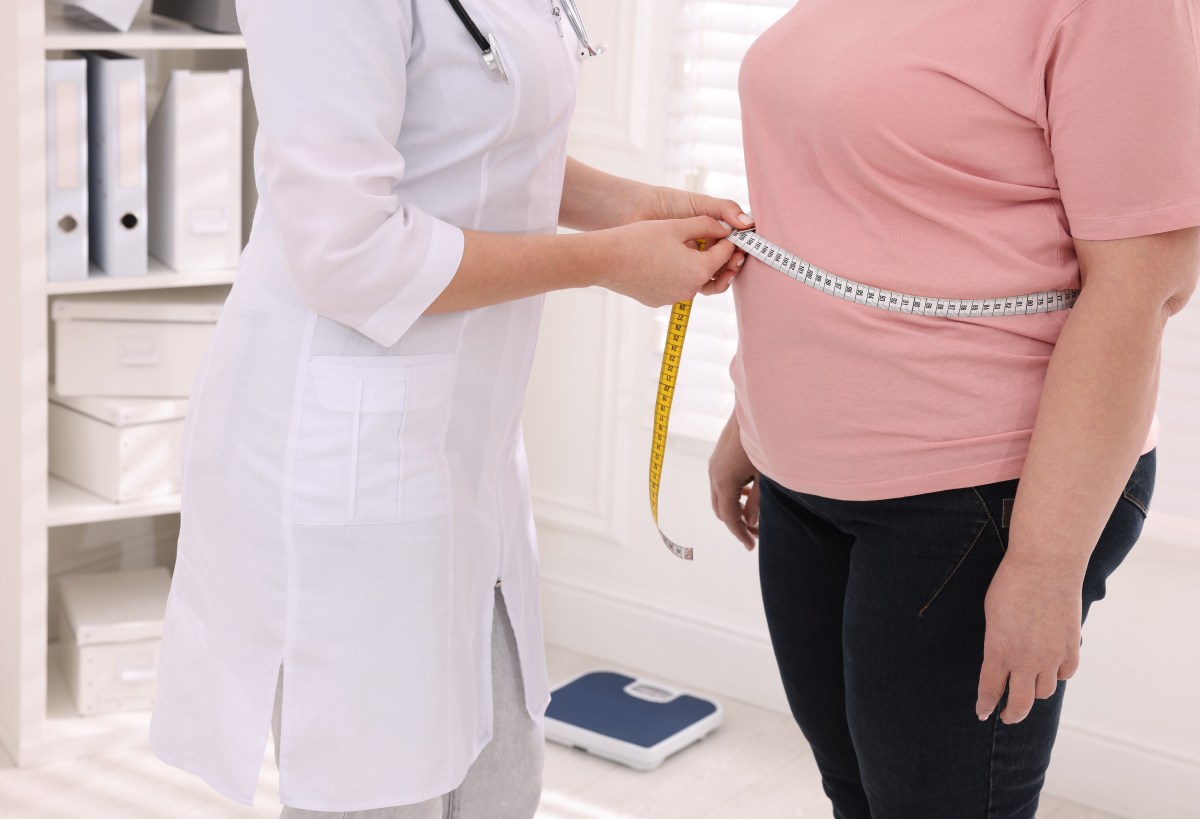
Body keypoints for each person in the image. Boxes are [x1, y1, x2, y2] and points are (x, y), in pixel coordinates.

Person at [149, 1, 750, 817]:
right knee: (381, 790)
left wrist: (636, 206)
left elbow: (480, 135)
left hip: (467, 443)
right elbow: (347, 251)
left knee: (501, 779)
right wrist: (607, 260)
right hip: (349, 454)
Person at [708, 2, 1200, 817]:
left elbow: (1142, 287)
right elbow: (850, 211)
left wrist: (1045, 565)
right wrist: (750, 412)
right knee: (857, 795)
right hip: (803, 472)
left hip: (978, 493)